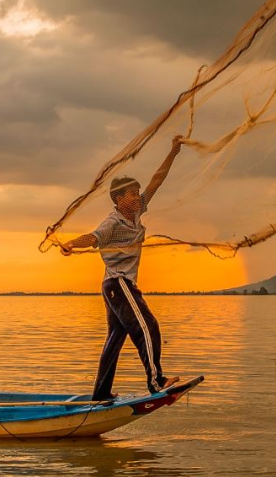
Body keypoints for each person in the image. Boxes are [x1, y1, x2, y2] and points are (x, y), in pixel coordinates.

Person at [60, 136, 186, 401]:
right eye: (132, 194)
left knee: (115, 339)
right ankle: (157, 381)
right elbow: (93, 238)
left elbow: (157, 181)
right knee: (147, 325)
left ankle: (101, 393)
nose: (137, 197)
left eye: (137, 193)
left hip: (115, 287)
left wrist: (173, 151)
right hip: (118, 284)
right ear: (119, 199)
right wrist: (72, 243)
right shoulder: (112, 223)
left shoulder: (137, 212)